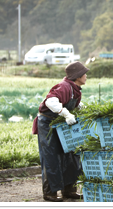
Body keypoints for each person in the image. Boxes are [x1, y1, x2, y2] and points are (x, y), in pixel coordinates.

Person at [31, 61, 89, 202]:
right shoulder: (64, 87)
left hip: (62, 125)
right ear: (77, 76)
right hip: (48, 124)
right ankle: (50, 193)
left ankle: (69, 190)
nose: (86, 76)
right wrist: (66, 114)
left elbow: (74, 102)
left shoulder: (74, 88)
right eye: (84, 73)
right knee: (52, 157)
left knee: (70, 155)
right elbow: (50, 102)